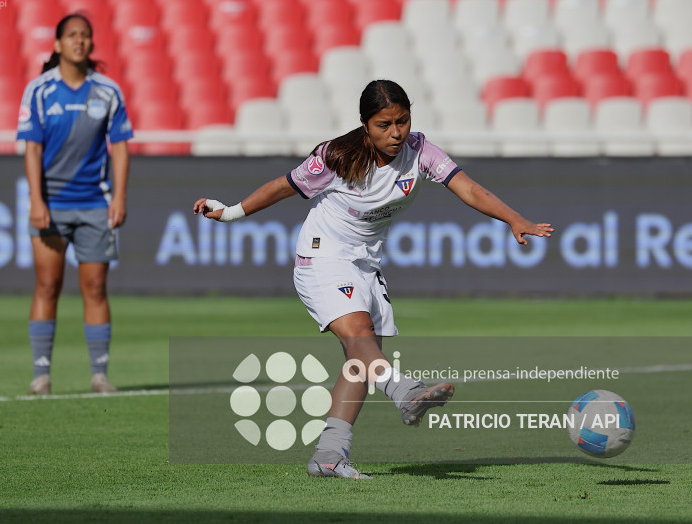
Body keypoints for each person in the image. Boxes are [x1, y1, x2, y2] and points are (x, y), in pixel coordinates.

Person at [193, 79, 553, 479]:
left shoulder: (420, 151)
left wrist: (513, 219)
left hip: (366, 262)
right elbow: (283, 186)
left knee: (360, 363)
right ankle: (404, 392)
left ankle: (328, 456)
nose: (396, 132)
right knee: (359, 337)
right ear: (365, 124)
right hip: (321, 255)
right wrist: (230, 213)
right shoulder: (336, 156)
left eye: (402, 120)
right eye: (384, 124)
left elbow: (468, 188)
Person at [16, 13, 133, 395]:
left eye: (85, 36)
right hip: (51, 204)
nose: (79, 41)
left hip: (94, 204)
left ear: (91, 43)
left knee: (96, 288)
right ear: (57, 44)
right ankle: (41, 375)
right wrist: (36, 200)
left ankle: (99, 375)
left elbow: (120, 148)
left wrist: (119, 195)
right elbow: (31, 150)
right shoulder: (39, 90)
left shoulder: (108, 92)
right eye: (71, 36)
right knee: (47, 285)